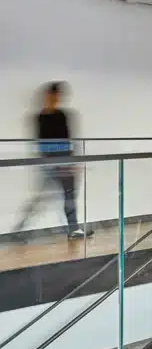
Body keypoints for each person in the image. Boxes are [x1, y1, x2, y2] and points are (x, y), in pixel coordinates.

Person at [16, 82, 92, 239]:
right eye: (54, 96)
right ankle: (20, 229)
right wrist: (49, 163)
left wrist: (72, 162)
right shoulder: (40, 117)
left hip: (65, 161)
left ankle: (73, 229)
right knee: (41, 198)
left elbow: (67, 139)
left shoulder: (62, 115)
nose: (57, 99)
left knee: (69, 196)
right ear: (48, 96)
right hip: (50, 163)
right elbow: (41, 143)